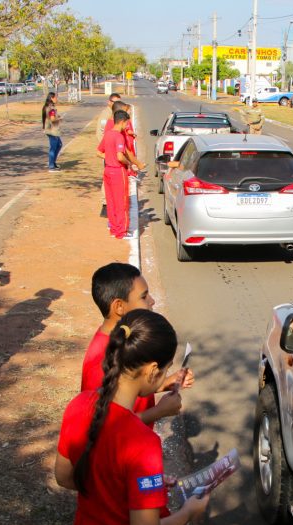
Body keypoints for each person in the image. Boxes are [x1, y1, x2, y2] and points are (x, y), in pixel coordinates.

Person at [55, 309, 210, 525]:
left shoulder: (78, 406)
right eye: (164, 369)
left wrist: (135, 485)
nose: (165, 375)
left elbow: (65, 477)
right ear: (152, 370)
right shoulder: (142, 442)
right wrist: (188, 512)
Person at [81, 263, 191, 427]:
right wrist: (158, 412)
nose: (152, 301)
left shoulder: (129, 340)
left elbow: (131, 385)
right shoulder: (99, 360)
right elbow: (103, 426)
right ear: (119, 306)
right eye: (144, 296)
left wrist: (165, 382)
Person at [97, 110, 131, 239]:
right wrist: (128, 163)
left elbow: (99, 152)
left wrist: (108, 157)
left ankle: (114, 228)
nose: (127, 126)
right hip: (118, 171)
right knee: (121, 202)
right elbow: (120, 156)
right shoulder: (118, 136)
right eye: (126, 123)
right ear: (122, 122)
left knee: (111, 202)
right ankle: (121, 231)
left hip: (107, 171)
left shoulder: (107, 135)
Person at [42, 92, 63, 172]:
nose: (56, 99)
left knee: (59, 145)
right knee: (53, 148)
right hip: (52, 130)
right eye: (55, 97)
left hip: (51, 130)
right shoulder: (51, 108)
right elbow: (52, 119)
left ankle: (53, 163)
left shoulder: (47, 107)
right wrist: (59, 119)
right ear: (52, 98)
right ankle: (51, 166)